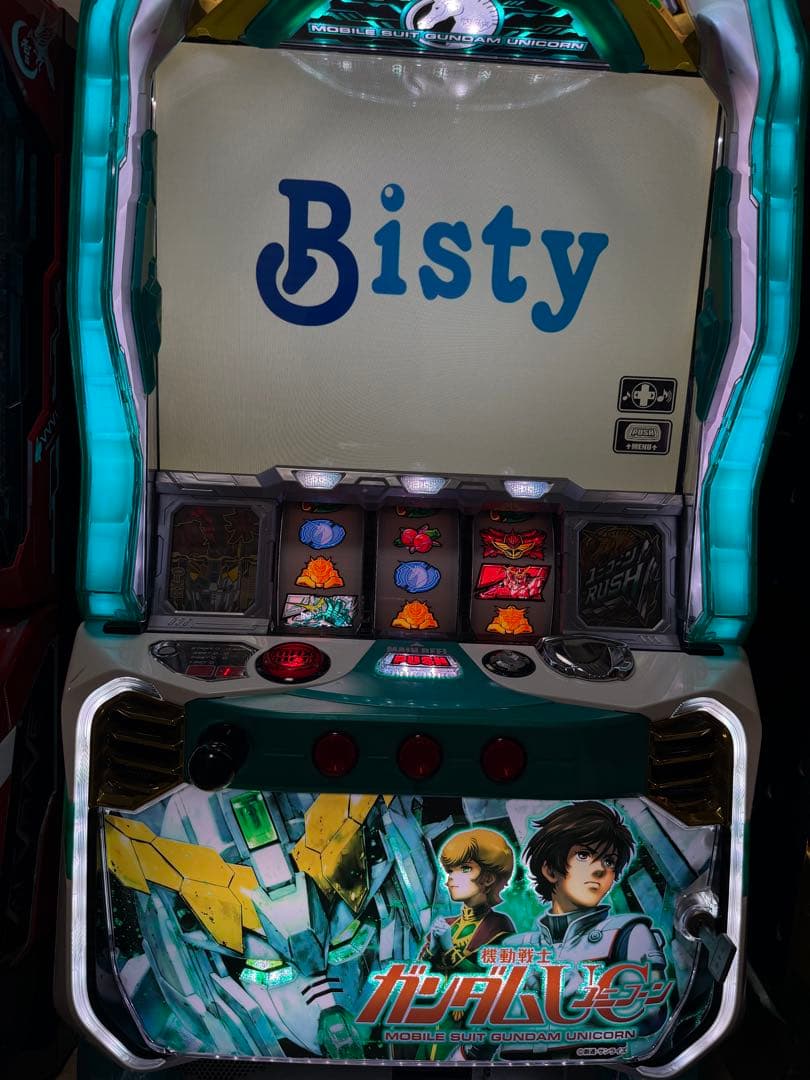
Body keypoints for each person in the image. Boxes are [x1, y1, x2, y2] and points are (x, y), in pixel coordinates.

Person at [421, 827, 515, 972]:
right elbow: (417, 975)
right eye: (450, 871)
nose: (451, 877)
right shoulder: (447, 924)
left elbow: (493, 976)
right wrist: (432, 949)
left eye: (465, 868)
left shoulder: (498, 925)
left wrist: (449, 949)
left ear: (488, 878)